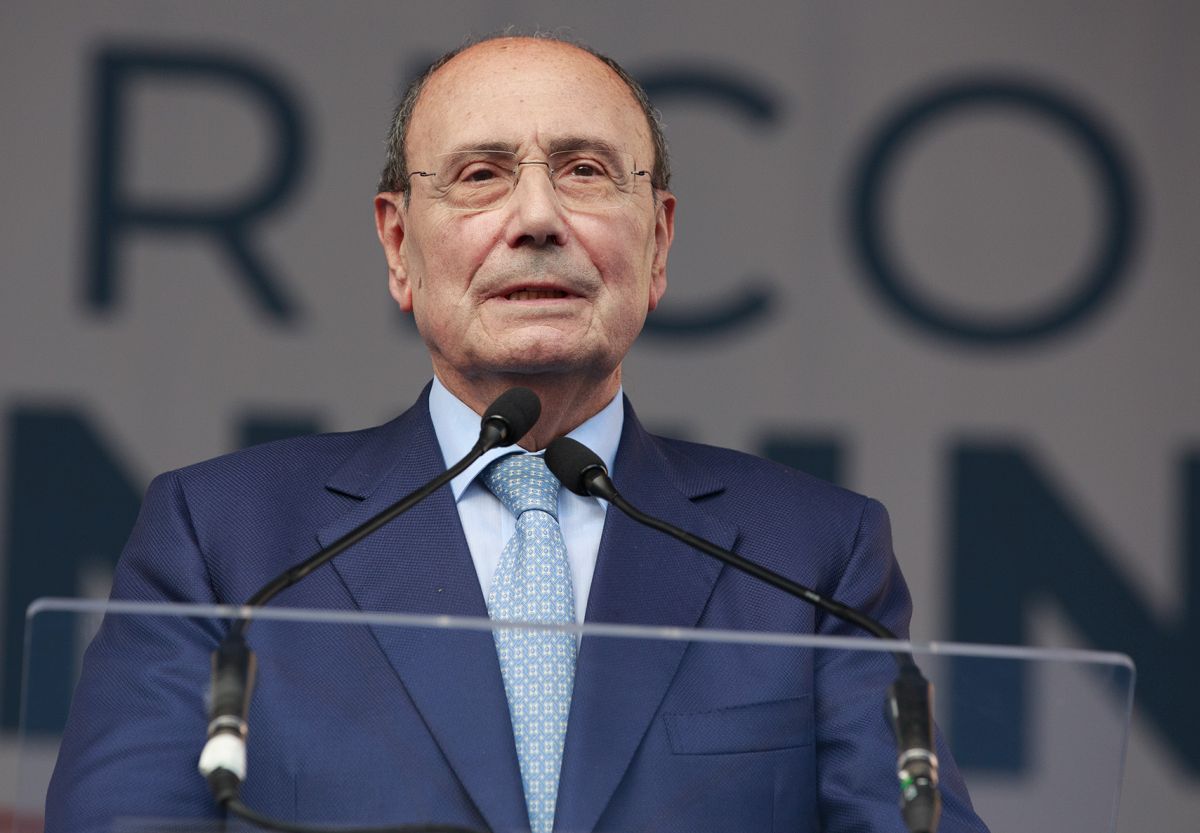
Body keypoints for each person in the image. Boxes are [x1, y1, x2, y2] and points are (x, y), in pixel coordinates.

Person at [46, 34, 985, 833]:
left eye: (585, 171)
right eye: (480, 175)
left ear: (659, 243)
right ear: (398, 245)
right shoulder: (224, 541)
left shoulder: (812, 557)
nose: (537, 218)